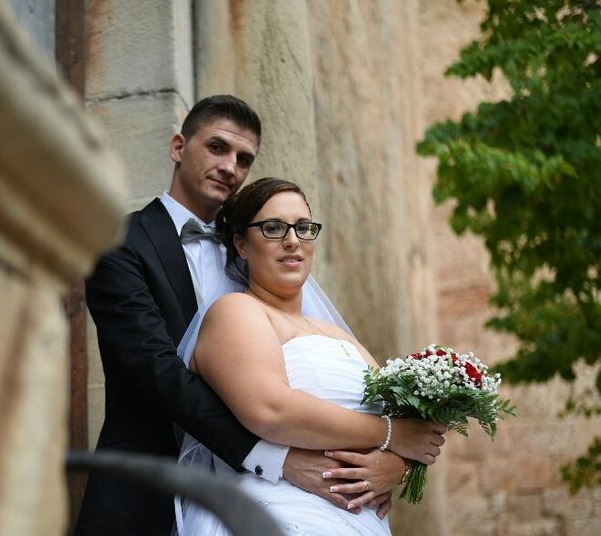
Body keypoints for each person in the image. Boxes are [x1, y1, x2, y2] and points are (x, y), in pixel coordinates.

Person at [73, 96, 442, 535]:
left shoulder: (263, 261)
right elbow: (157, 371)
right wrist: (277, 460)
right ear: (178, 147)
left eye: (243, 158)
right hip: (151, 484)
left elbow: (318, 379)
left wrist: (392, 465)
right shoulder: (120, 242)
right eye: (217, 148)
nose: (230, 166)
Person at [175, 178, 447, 535]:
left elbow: (407, 429)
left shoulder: (340, 336)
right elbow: (271, 410)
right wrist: (391, 434)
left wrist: (398, 467)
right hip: (278, 510)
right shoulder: (236, 312)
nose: (293, 240)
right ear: (241, 243)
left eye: (303, 228)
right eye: (273, 228)